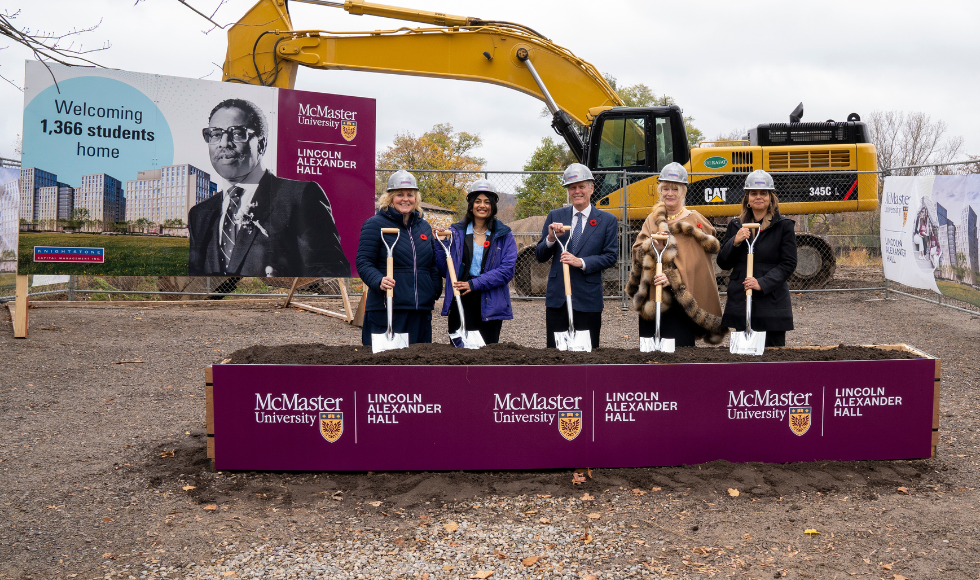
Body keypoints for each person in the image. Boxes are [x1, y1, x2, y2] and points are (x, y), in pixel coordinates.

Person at [188, 98, 349, 277]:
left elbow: (333, 273)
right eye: (216, 134)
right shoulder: (199, 214)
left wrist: (287, 286)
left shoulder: (300, 197)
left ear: (262, 144)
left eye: (237, 133)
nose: (224, 143)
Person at [626, 162, 726, 346]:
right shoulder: (651, 220)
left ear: (683, 192)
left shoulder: (694, 219)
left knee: (681, 357)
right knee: (651, 358)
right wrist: (652, 245)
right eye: (665, 189)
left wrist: (672, 278)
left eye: (674, 189)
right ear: (660, 191)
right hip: (653, 296)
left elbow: (697, 262)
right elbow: (637, 252)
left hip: (682, 300)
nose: (669, 193)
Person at [535, 163, 619, 349]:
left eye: (582, 186)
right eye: (572, 187)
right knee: (556, 354)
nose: (577, 191)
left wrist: (580, 262)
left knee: (586, 356)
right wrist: (550, 238)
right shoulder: (555, 216)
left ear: (591, 188)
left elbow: (610, 256)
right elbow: (540, 255)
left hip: (587, 298)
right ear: (568, 191)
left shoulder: (607, 221)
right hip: (558, 300)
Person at [355, 170, 441, 346]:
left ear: (416, 198)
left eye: (410, 195)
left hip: (420, 310)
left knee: (418, 367)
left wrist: (434, 289)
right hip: (387, 307)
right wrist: (378, 280)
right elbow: (364, 261)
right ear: (390, 198)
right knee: (385, 368)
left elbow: (431, 264)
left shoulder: (424, 227)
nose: (405, 199)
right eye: (399, 194)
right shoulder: (375, 224)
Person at [717, 169, 798, 347]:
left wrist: (762, 282)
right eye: (753, 193)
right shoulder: (736, 225)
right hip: (741, 297)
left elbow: (789, 263)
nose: (758, 197)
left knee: (773, 360)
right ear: (747, 198)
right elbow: (723, 262)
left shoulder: (783, 226)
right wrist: (734, 241)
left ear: (771, 197)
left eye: (763, 193)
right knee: (742, 362)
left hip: (771, 300)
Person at [434, 180, 517, 344]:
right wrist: (439, 243)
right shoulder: (455, 232)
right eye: (478, 201)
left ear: (493, 206)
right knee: (460, 355)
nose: (482, 206)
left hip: (490, 300)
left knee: (487, 355)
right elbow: (445, 270)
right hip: (461, 300)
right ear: (471, 205)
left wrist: (474, 284)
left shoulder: (504, 234)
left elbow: (507, 271)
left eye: (487, 202)